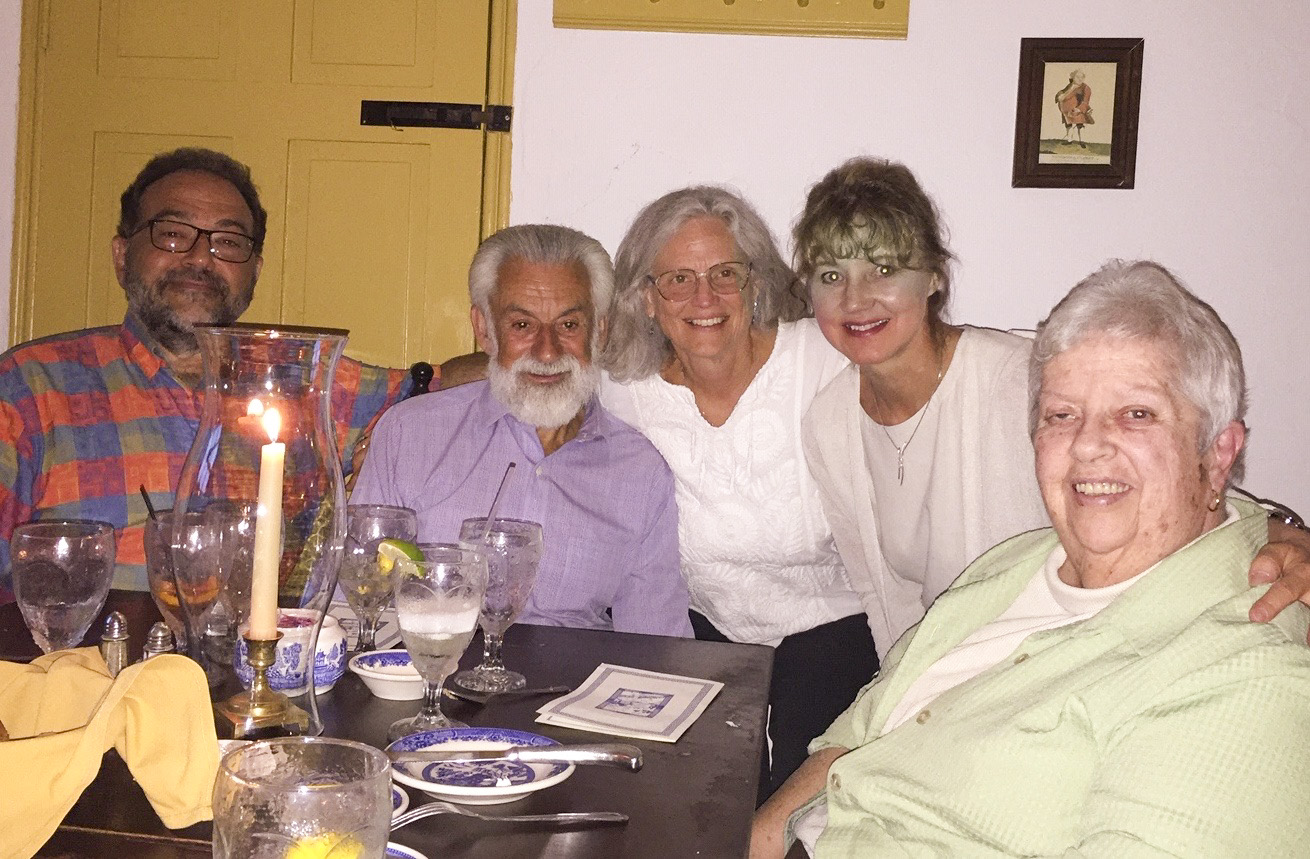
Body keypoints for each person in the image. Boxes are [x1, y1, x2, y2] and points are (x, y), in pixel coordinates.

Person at [752, 260, 1310, 857]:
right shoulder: (1016, 563)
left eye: (1137, 414)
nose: (1088, 444)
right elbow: (855, 739)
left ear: (1219, 450)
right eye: (1061, 415)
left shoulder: (1241, 667)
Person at [796, 156, 1310, 665]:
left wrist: (1282, 530)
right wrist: (897, 699)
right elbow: (881, 598)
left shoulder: (1018, 379)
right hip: (942, 677)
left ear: (932, 276)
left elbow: (1169, 474)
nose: (855, 299)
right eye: (830, 275)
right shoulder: (830, 424)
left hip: (1062, 658)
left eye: (883, 269)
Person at [0, 148, 411, 599]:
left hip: (262, 661)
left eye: (228, 242)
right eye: (172, 233)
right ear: (122, 256)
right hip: (89, 662)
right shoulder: (30, 388)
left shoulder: (305, 381)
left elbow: (445, 389)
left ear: (253, 271)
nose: (200, 257)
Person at [599, 187, 876, 796]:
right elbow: (536, 369)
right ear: (646, 298)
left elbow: (916, 361)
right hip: (704, 639)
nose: (705, 297)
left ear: (755, 282)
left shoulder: (820, 358)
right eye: (678, 279)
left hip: (837, 629)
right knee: (681, 797)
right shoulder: (625, 392)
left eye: (725, 273)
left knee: (798, 805)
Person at [352, 224, 692, 637]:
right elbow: (357, 604)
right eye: (522, 326)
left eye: (569, 326)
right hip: (428, 678)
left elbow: (655, 640)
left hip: (570, 690)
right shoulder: (409, 435)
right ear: (484, 329)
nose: (547, 352)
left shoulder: (640, 471)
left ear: (599, 330)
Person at [1055, 69, 1093, 146]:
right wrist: (1069, 90)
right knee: (1068, 125)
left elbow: (1085, 101)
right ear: (1073, 77)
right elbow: (1061, 93)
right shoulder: (1070, 86)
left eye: (1082, 77)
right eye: (1077, 77)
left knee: (1080, 125)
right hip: (1066, 111)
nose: (1080, 79)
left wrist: (1079, 109)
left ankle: (1082, 142)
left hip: (1078, 110)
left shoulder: (1085, 88)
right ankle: (1069, 140)